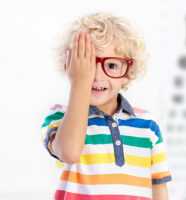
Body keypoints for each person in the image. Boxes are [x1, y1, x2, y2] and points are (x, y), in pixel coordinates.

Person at [40, 12, 172, 200]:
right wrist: (79, 82)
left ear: (129, 72)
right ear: (70, 66)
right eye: (87, 64)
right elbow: (69, 152)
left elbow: (158, 186)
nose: (97, 76)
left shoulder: (147, 124)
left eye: (111, 66)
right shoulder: (60, 117)